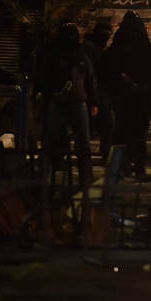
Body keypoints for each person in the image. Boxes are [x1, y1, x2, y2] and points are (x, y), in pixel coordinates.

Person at [102, 11, 151, 181]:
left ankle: (121, 170)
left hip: (127, 100)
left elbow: (104, 74)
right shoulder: (150, 51)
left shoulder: (114, 51)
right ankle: (136, 170)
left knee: (121, 136)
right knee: (138, 136)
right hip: (136, 100)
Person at [35, 21, 98, 188]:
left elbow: (90, 80)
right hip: (60, 102)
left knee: (82, 143)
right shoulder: (52, 54)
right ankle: (42, 176)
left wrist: (93, 101)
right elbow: (43, 77)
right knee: (51, 141)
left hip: (76, 102)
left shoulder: (80, 55)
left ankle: (86, 178)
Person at [82, 21, 113, 163]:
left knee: (101, 126)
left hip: (96, 92)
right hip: (94, 92)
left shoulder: (93, 48)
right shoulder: (91, 49)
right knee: (101, 125)